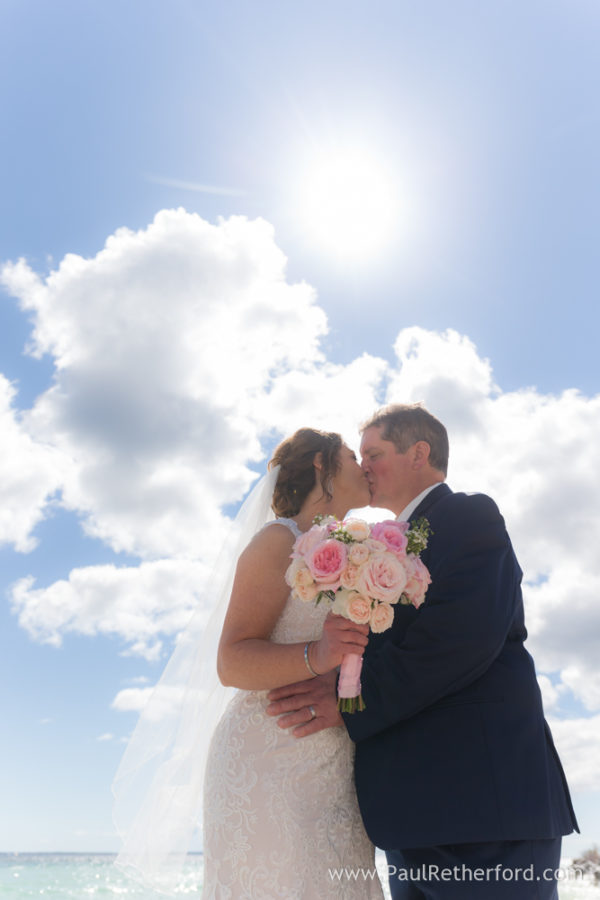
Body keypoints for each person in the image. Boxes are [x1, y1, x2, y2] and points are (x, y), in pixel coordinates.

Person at [267, 404, 578, 899]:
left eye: (374, 452)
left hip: (483, 813)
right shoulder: (370, 544)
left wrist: (349, 703)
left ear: (419, 453)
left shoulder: (469, 515)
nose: (363, 464)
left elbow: (459, 641)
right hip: (409, 820)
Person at [202, 427, 384, 898]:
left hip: (336, 759)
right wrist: (317, 655)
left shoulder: (366, 553)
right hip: (270, 751)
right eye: (349, 454)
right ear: (321, 466)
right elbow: (231, 661)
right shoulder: (277, 541)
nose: (362, 465)